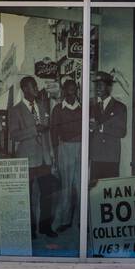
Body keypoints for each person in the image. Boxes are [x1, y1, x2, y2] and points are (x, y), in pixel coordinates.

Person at [9, 75, 55, 239]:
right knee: (26, 197)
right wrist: (34, 130)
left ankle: (45, 227)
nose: (36, 88)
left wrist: (51, 154)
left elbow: (47, 132)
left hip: (44, 159)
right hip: (27, 159)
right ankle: (30, 229)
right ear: (24, 89)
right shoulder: (15, 110)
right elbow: (14, 135)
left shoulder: (42, 107)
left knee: (47, 194)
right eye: (32, 86)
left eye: (35, 85)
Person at [49, 77, 82, 234]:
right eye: (69, 91)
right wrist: (55, 157)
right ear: (63, 91)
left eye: (74, 91)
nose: (72, 94)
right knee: (66, 187)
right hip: (64, 150)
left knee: (81, 187)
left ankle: (83, 221)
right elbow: (54, 134)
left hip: (82, 149)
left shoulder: (83, 108)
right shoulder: (57, 109)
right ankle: (63, 220)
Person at [88, 70, 127, 182]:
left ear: (109, 87)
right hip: (95, 156)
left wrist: (100, 127)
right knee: (95, 191)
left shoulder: (119, 107)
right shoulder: (93, 107)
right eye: (96, 85)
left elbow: (122, 132)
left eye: (101, 85)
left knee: (109, 189)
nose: (97, 88)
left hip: (110, 157)